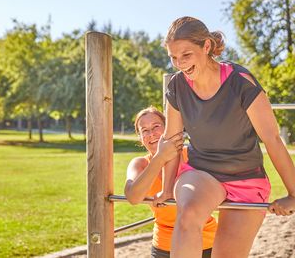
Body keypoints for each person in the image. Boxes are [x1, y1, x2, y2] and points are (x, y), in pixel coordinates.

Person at [154, 16, 295, 258]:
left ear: (206, 46)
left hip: (246, 178)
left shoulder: (240, 81)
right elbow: (172, 142)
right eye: (173, 57)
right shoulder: (177, 86)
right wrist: (167, 189)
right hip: (202, 173)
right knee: (187, 215)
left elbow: (272, 139)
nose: (179, 64)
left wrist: (294, 194)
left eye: (186, 55)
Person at [125, 106, 217, 258]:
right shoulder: (140, 164)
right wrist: (160, 157)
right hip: (164, 245)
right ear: (141, 138)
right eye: (145, 130)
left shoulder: (191, 155)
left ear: (168, 128)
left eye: (156, 127)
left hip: (205, 240)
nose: (152, 134)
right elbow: (133, 197)